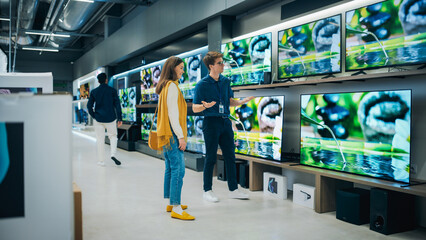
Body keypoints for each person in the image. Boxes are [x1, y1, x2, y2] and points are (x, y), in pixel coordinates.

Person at [193, 51, 254, 202]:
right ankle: (207, 190)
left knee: (230, 156)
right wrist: (204, 106)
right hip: (211, 122)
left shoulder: (226, 81)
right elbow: (195, 108)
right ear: (211, 66)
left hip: (225, 122)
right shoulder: (202, 85)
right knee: (211, 157)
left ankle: (233, 189)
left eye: (222, 62)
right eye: (220, 63)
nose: (223, 65)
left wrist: (240, 102)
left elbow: (229, 101)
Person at [155, 56, 195, 220]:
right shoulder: (171, 86)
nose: (183, 70)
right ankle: (177, 208)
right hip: (172, 134)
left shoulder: (166, 86)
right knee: (179, 169)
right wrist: (181, 137)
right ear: (172, 68)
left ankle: (172, 202)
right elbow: (173, 114)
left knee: (170, 168)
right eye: (180, 67)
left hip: (166, 134)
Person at [87, 73, 122, 167]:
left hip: (98, 119)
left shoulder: (94, 92)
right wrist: (120, 118)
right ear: (106, 80)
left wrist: (94, 115)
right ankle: (113, 154)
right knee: (113, 136)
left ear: (98, 81)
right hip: (111, 118)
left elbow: (89, 106)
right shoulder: (112, 91)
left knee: (100, 139)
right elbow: (117, 105)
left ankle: (101, 161)